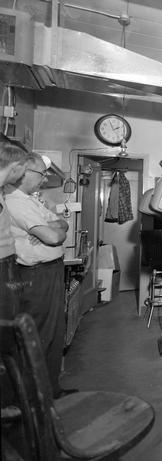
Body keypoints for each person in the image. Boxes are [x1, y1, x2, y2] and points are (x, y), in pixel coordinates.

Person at [5, 152, 69, 398]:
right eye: (41, 175)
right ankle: (36, 400)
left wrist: (54, 227)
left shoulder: (30, 199)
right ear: (25, 173)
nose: (44, 180)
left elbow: (61, 224)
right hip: (36, 275)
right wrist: (54, 229)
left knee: (53, 332)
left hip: (49, 271)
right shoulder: (15, 201)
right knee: (41, 335)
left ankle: (51, 391)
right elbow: (54, 236)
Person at [0, 141, 28, 419]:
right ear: (17, 166)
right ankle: (6, 405)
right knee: (5, 338)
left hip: (7, 266)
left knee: (8, 337)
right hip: (1, 269)